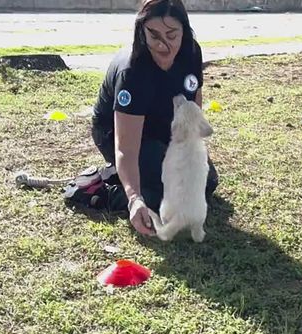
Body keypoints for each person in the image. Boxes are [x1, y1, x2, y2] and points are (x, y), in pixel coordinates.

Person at [64, 0, 219, 236]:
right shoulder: (133, 72)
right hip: (118, 133)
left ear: (184, 32)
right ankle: (100, 186)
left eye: (172, 35)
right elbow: (126, 147)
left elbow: (193, 104)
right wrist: (135, 198)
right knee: (159, 196)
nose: (163, 45)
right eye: (154, 35)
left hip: (162, 126)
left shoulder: (191, 52)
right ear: (141, 31)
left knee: (206, 183)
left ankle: (136, 174)